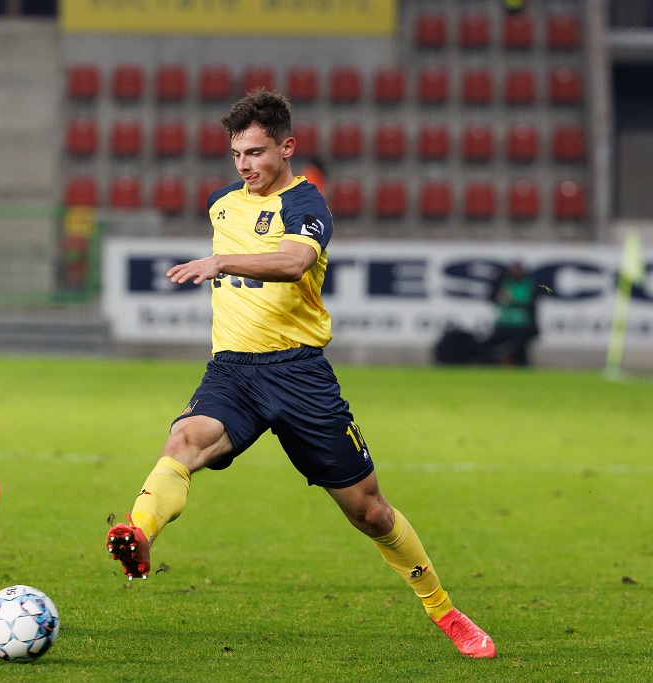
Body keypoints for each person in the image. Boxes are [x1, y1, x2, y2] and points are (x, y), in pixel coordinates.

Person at [105, 90, 496, 659]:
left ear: (287, 147)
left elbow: (293, 263)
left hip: (299, 374)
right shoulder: (221, 203)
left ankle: (444, 609)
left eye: (257, 153)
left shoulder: (307, 202)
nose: (245, 166)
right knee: (184, 441)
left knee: (371, 511)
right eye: (237, 154)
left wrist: (220, 262)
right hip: (233, 370)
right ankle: (138, 534)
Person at [484, 261, 543, 366]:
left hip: (522, 325)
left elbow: (530, 302)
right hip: (504, 323)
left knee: (519, 349)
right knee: (489, 346)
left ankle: (518, 364)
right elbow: (493, 297)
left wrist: (512, 302)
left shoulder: (529, 283)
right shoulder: (503, 282)